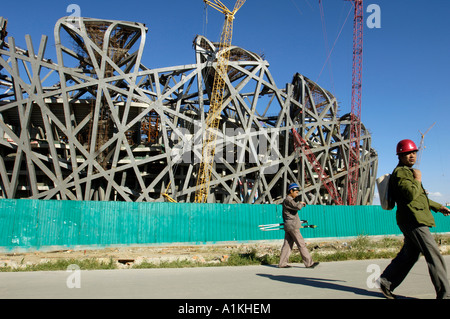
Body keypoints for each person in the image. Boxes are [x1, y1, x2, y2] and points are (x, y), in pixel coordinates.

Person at [379, 139, 450, 299]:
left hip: (411, 218)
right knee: (434, 255)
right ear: (400, 156)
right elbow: (411, 194)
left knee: (410, 254)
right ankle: (445, 295)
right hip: (413, 220)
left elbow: (420, 197)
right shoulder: (401, 172)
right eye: (407, 153)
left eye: (413, 153)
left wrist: (438, 207)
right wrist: (417, 179)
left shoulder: (408, 172)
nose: (412, 156)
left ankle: (386, 281)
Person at [278, 183, 319, 269]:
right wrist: (300, 203)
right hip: (293, 226)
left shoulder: (288, 200)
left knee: (287, 245)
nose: (297, 194)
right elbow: (297, 207)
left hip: (289, 226)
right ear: (291, 191)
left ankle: (282, 263)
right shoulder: (288, 200)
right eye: (295, 192)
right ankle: (309, 263)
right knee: (301, 244)